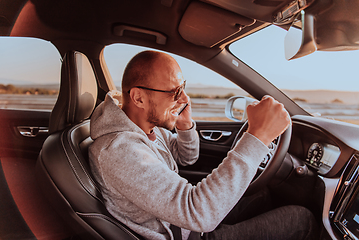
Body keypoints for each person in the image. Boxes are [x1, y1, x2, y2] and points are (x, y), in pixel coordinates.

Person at [88, 50, 318, 240]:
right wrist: (257, 137)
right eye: (175, 91)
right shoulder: (119, 151)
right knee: (301, 219)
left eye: (183, 87)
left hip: (183, 222)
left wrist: (185, 126)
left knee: (262, 196)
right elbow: (199, 214)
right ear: (139, 98)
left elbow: (186, 158)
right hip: (187, 233)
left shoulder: (147, 127)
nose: (185, 99)